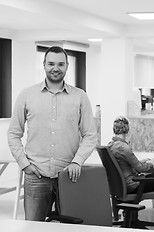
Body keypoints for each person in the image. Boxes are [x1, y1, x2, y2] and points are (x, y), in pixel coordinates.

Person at [7, 46, 98, 221]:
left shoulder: (80, 97)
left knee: (71, 226)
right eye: (51, 64)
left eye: (60, 64)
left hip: (69, 175)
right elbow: (13, 133)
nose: (55, 68)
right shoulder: (27, 95)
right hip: (36, 175)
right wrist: (25, 164)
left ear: (67, 66)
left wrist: (77, 162)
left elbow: (90, 135)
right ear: (44, 65)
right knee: (34, 227)